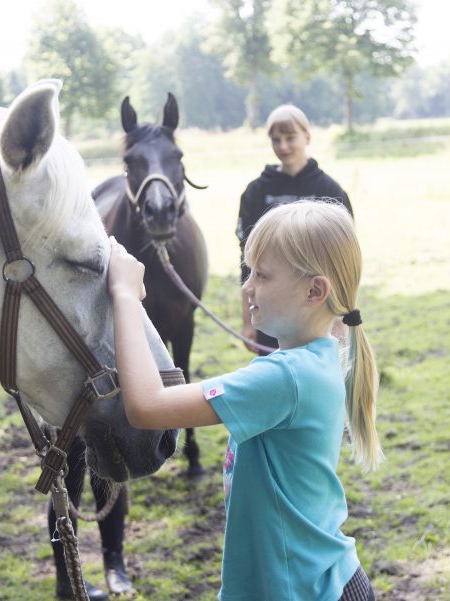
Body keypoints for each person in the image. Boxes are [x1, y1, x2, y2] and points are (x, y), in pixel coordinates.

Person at [108, 200, 382, 601]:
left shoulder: (284, 378)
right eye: (248, 271)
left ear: (315, 290)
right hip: (314, 582)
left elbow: (146, 407)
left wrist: (125, 297)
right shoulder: (318, 356)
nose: (246, 286)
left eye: (263, 275)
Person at [237, 104, 353, 355]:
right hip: (272, 311)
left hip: (319, 314)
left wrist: (341, 317)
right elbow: (247, 263)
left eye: (291, 138)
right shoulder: (255, 193)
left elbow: (343, 261)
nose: (283, 146)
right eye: (276, 140)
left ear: (307, 137)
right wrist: (248, 321)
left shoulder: (330, 191)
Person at [47, 435, 133, 600]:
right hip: (67, 413)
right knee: (67, 478)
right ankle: (66, 579)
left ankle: (115, 565)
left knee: (110, 474)